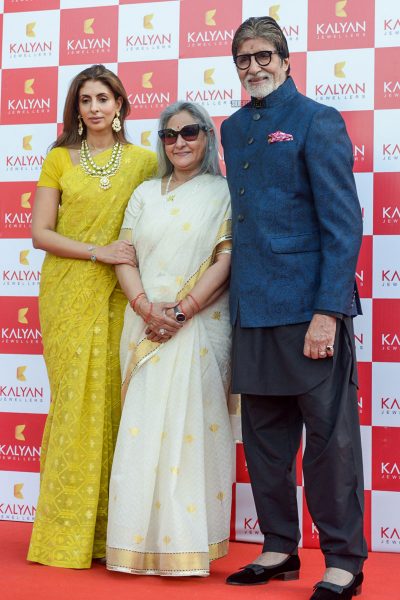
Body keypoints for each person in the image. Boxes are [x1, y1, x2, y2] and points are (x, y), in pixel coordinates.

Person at [221, 17, 367, 600]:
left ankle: (344, 560)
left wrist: (329, 311)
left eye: (263, 56)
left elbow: (343, 223)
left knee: (329, 442)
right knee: (264, 442)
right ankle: (279, 547)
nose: (253, 67)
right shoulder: (231, 129)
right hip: (251, 308)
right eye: (243, 59)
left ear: (285, 59)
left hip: (309, 312)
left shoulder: (317, 120)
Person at [28, 64, 157, 569]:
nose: (96, 107)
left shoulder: (146, 161)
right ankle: (65, 535)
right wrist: (96, 252)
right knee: (74, 406)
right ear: (76, 109)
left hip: (126, 294)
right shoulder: (59, 158)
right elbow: (40, 232)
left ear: (121, 104)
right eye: (86, 100)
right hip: (68, 292)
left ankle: (116, 535)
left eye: (104, 98)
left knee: (118, 407)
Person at [106, 101, 234, 577]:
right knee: (141, 431)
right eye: (169, 135)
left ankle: (186, 546)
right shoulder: (144, 193)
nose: (179, 142)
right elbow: (124, 254)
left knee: (191, 433)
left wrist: (182, 310)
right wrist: (145, 307)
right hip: (144, 323)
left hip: (197, 326)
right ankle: (133, 543)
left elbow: (226, 259)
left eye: (190, 132)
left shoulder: (222, 192)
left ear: (207, 138)